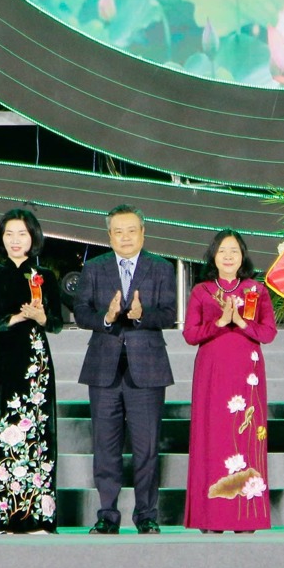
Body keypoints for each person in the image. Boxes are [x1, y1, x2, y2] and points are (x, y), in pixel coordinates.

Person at [73, 204, 177, 535]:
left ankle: (147, 515)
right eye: (118, 231)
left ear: (143, 232)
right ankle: (107, 515)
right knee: (105, 446)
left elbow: (169, 313)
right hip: (103, 369)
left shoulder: (160, 268)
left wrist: (141, 316)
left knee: (147, 447)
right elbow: (81, 312)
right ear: (109, 235)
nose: (125, 237)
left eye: (131, 230)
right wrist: (107, 316)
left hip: (147, 368)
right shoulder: (95, 268)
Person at [0, 209, 63, 534]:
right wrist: (12, 319)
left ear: (33, 238)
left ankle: (37, 515)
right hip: (2, 357)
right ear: (1, 238)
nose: (15, 240)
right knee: (1, 429)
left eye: (22, 234)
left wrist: (39, 318)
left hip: (34, 359)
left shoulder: (45, 277)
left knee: (36, 432)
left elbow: (57, 324)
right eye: (9, 234)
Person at [183, 229, 277, 534]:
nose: (228, 256)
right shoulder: (202, 291)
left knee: (245, 434)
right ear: (213, 255)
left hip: (245, 372)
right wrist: (220, 322)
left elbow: (268, 333)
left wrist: (241, 322)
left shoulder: (256, 291)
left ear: (243, 256)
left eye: (234, 251)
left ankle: (245, 516)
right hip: (212, 371)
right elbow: (190, 335)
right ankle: (210, 517)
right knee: (212, 436)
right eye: (222, 250)